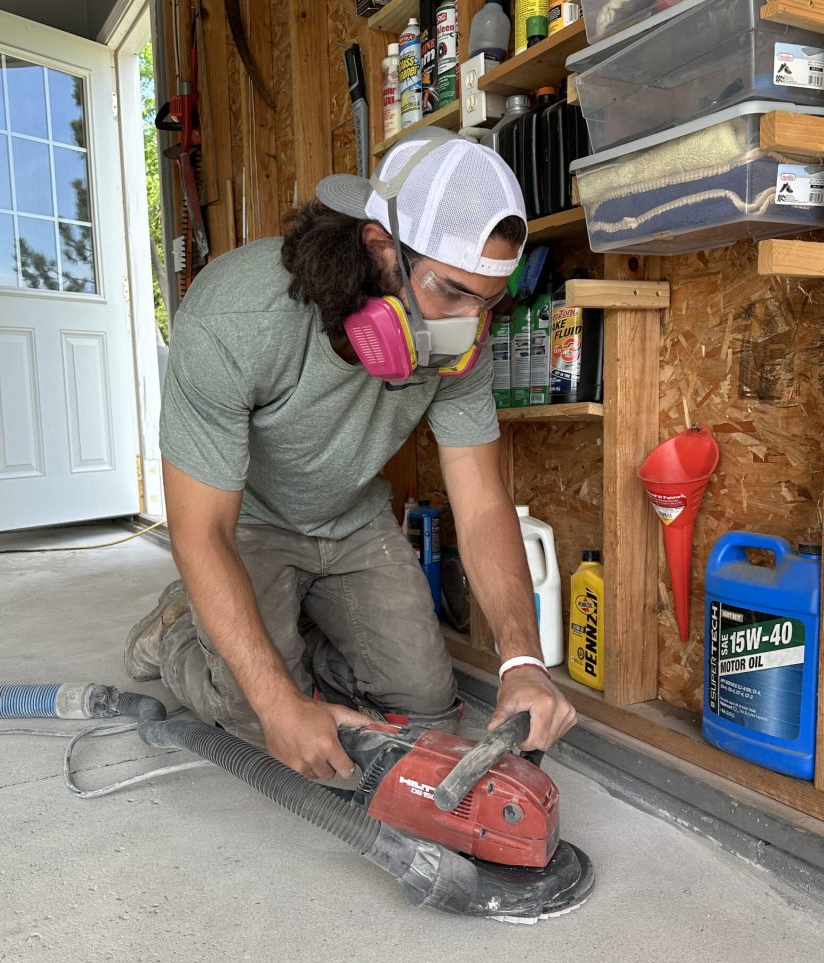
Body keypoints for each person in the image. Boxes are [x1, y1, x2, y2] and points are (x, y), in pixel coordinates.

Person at [125, 129, 577, 781]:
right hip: (247, 524)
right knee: (264, 720)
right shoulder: (235, 318)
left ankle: (288, 640)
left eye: (489, 301)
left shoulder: (458, 341)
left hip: (355, 521)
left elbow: (480, 503)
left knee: (425, 711)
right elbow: (202, 532)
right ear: (379, 249)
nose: (470, 325)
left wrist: (522, 662)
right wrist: (279, 703)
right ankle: (178, 631)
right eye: (451, 291)